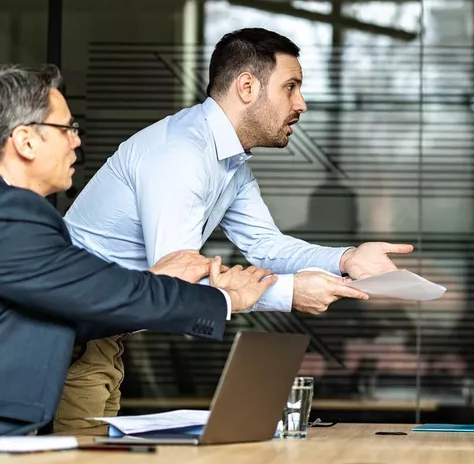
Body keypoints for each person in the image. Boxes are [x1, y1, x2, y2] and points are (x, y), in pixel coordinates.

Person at [59, 28, 414, 431]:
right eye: (291, 87)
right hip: (68, 336)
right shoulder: (181, 154)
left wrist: (346, 258)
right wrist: (290, 292)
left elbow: (264, 245)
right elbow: (176, 287)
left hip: (102, 336)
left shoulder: (229, 163)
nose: (302, 103)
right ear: (247, 86)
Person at [0, 65, 275, 436]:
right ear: (25, 140)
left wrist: (151, 280)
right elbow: (102, 293)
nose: (76, 141)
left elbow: (68, 310)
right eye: (66, 129)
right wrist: (223, 299)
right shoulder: (13, 214)